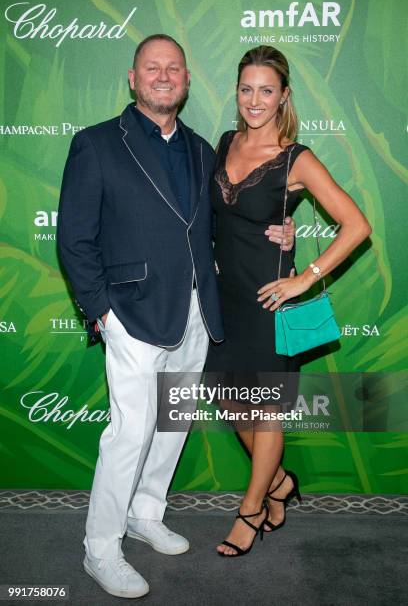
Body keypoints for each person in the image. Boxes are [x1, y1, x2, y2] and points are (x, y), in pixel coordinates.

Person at [57, 35, 295, 598]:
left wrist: (280, 232)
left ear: (186, 80)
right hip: (133, 316)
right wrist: (102, 315)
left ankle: (145, 512)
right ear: (133, 79)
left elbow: (227, 220)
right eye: (151, 68)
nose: (163, 75)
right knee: (129, 434)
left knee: (171, 426)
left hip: (196, 315)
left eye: (174, 68)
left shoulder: (201, 149)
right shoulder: (95, 145)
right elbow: (74, 239)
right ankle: (100, 547)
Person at [205, 45, 372, 557]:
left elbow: (357, 225)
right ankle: (279, 483)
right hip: (223, 300)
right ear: (237, 92)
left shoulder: (297, 157)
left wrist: (306, 278)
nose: (255, 100)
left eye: (266, 91)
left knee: (266, 414)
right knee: (230, 402)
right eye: (246, 89)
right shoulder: (225, 142)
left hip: (268, 303)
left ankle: (251, 510)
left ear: (284, 97)